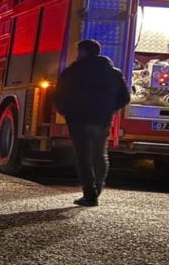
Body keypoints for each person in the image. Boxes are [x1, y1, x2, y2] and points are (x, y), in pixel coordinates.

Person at [54, 39, 130, 207]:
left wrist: (66, 111)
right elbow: (125, 98)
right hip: (101, 120)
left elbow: (59, 95)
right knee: (99, 155)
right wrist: (109, 109)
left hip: (78, 120)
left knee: (83, 158)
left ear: (83, 52)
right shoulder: (114, 73)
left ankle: (89, 195)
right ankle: (97, 188)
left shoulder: (72, 71)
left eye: (78, 51)